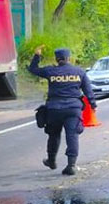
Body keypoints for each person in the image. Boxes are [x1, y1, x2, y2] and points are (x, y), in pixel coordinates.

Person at [28, 46, 96, 176]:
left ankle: (51, 160)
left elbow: (33, 69)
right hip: (73, 109)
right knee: (72, 136)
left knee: (53, 135)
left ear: (57, 59)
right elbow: (88, 90)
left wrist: (37, 56)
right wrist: (93, 104)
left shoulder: (50, 71)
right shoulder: (79, 72)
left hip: (54, 109)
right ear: (68, 58)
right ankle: (71, 165)